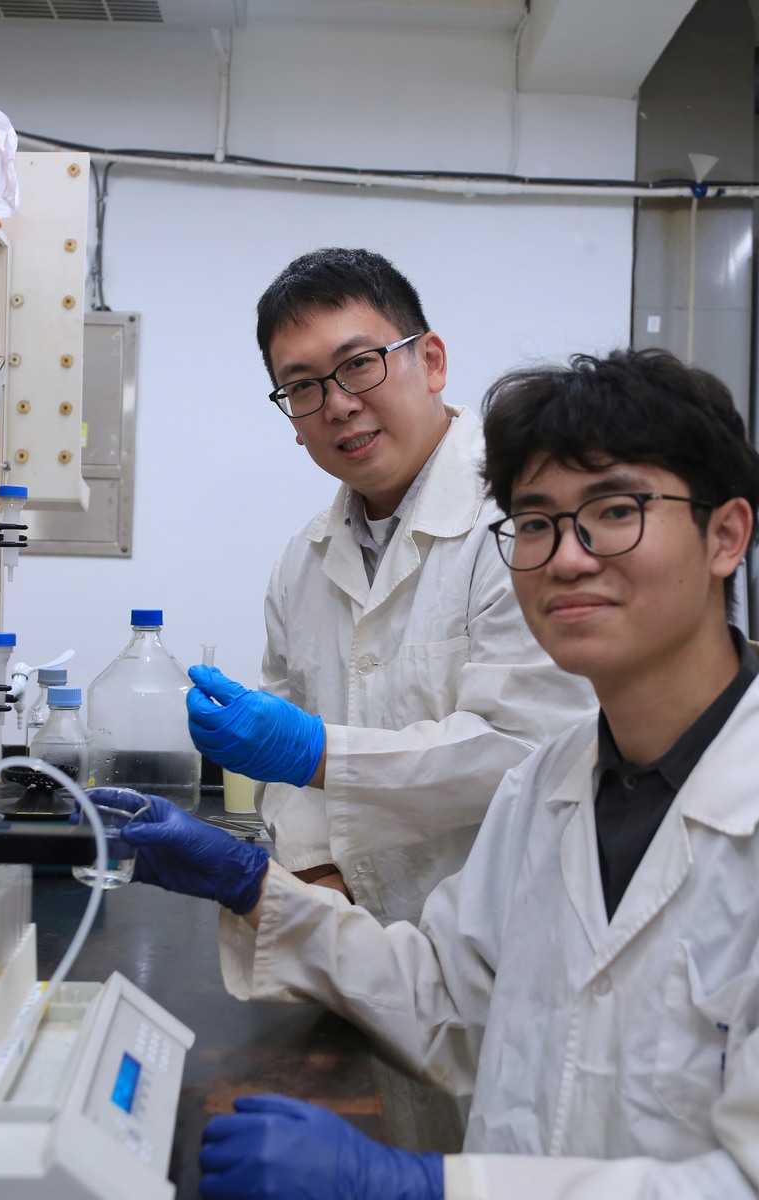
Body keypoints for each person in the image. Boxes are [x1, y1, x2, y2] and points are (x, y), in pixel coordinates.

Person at [104, 348, 759, 1200]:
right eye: (537, 522)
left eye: (615, 510)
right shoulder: (550, 785)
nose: (568, 557)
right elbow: (444, 998)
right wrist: (250, 883)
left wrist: (426, 1189)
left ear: (725, 535)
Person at [183, 248, 593, 925]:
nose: (338, 404)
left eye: (359, 364)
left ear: (430, 361)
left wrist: (319, 754)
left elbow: (524, 750)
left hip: (513, 937)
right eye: (304, 386)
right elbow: (290, 772)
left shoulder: (525, 522)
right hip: (358, 949)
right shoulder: (302, 562)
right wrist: (314, 867)